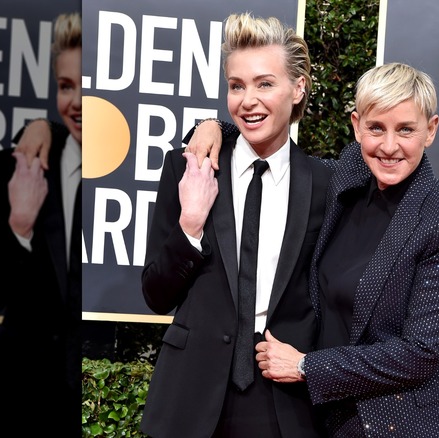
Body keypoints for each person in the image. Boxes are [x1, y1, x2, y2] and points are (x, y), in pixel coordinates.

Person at [190, 62, 439, 437]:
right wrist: (212, 128)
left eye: (406, 129)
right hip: (325, 417)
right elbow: (281, 156)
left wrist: (307, 367)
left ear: (431, 130)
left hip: (396, 423)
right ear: (357, 126)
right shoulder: (349, 175)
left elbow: (419, 355)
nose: (389, 146)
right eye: (376, 128)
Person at [140, 12, 332, 438]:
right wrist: (190, 224)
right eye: (236, 85)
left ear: (298, 88)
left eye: (265, 83)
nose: (248, 100)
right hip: (189, 398)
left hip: (283, 402)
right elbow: (155, 294)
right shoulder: (190, 167)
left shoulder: (327, 184)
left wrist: (310, 363)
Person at [0, 12, 82, 437]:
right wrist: (19, 224)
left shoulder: (118, 173)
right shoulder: (18, 167)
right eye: (66, 86)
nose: (75, 101)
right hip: (16, 402)